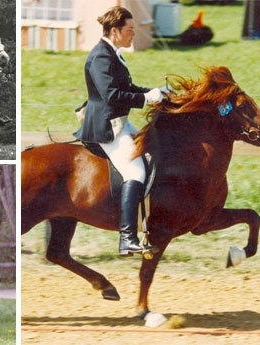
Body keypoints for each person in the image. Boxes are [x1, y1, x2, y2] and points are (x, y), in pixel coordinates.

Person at [73, 6, 162, 257]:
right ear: (115, 31)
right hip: (106, 127)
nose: (134, 34)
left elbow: (128, 86)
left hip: (119, 120)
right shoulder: (101, 56)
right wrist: (145, 100)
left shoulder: (113, 53)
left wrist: (154, 94)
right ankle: (127, 238)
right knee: (135, 170)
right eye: (130, 30)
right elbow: (111, 95)